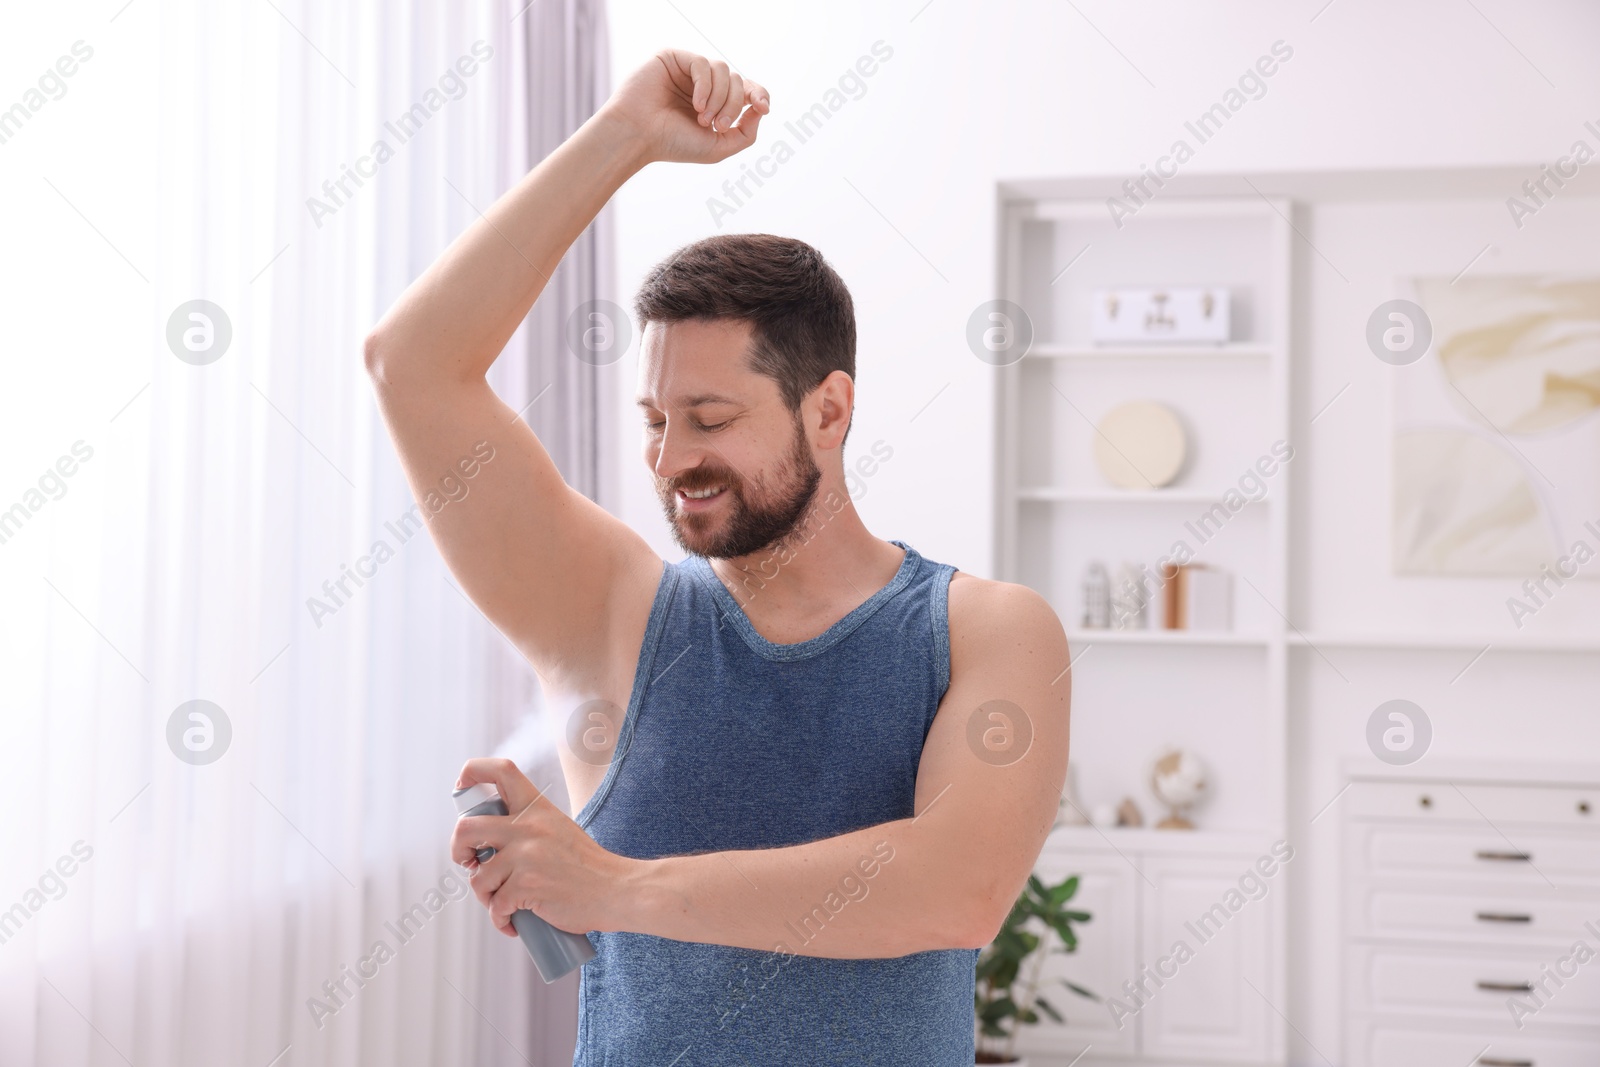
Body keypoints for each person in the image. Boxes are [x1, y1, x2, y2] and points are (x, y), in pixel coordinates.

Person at [364, 48, 1072, 1067]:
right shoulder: (606, 610)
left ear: (827, 409)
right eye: (654, 417)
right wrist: (623, 135)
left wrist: (608, 884)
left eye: (709, 416)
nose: (669, 457)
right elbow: (413, 363)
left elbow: (955, 888)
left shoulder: (985, 630)